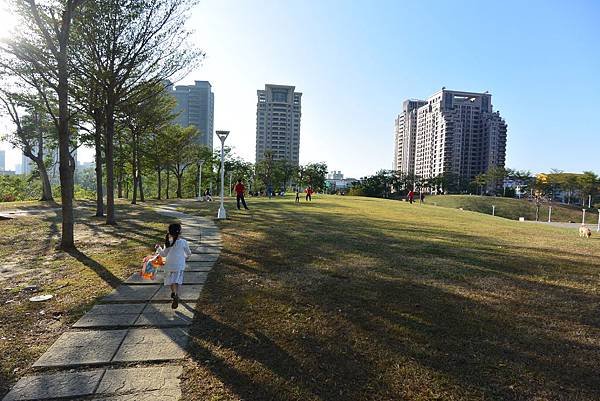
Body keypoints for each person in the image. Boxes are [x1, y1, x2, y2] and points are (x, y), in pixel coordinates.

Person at [157, 223, 191, 309]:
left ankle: (174, 293)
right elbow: (188, 253)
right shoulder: (184, 242)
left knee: (171, 281)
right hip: (179, 265)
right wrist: (186, 258)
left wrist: (158, 247)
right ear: (180, 232)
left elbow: (163, 254)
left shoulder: (168, 243)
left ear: (170, 233)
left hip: (170, 266)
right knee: (177, 281)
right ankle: (177, 295)